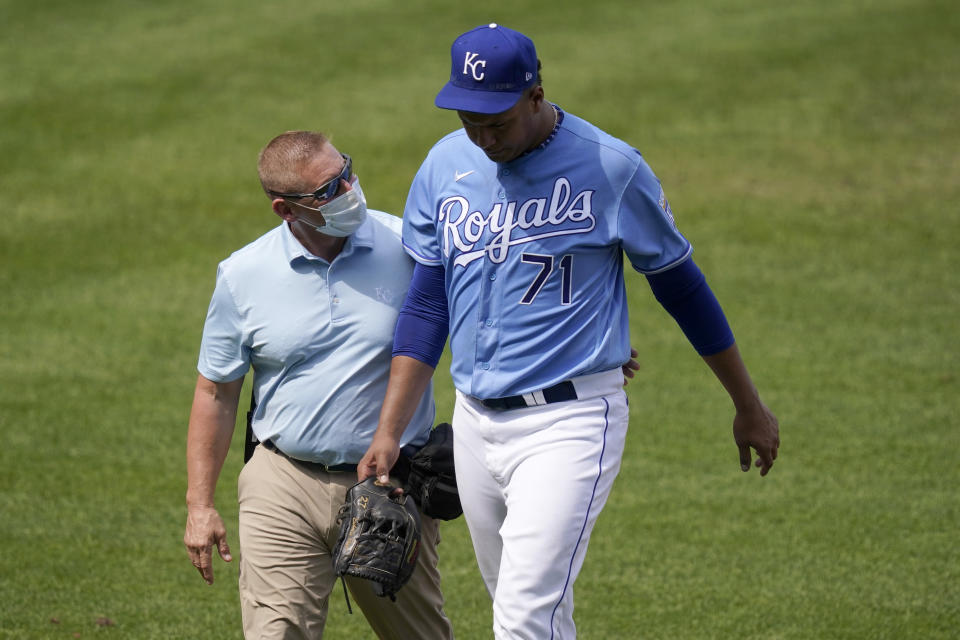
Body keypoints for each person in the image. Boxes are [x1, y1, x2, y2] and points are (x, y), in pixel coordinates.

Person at [358, 23, 781, 639]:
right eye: (468, 121)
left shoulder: (610, 167)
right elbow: (427, 305)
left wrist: (747, 403)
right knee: (525, 609)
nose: (481, 138)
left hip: (570, 422)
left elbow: (681, 287)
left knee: (526, 615)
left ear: (535, 95)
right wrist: (390, 430)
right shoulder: (445, 163)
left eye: (495, 123)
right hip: (474, 421)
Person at [183, 130, 454, 640]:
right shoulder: (243, 275)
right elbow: (216, 392)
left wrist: (574, 360)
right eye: (329, 190)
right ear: (286, 210)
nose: (350, 189)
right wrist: (200, 505)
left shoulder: (411, 249)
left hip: (390, 484)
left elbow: (490, 318)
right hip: (283, 480)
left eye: (346, 172)